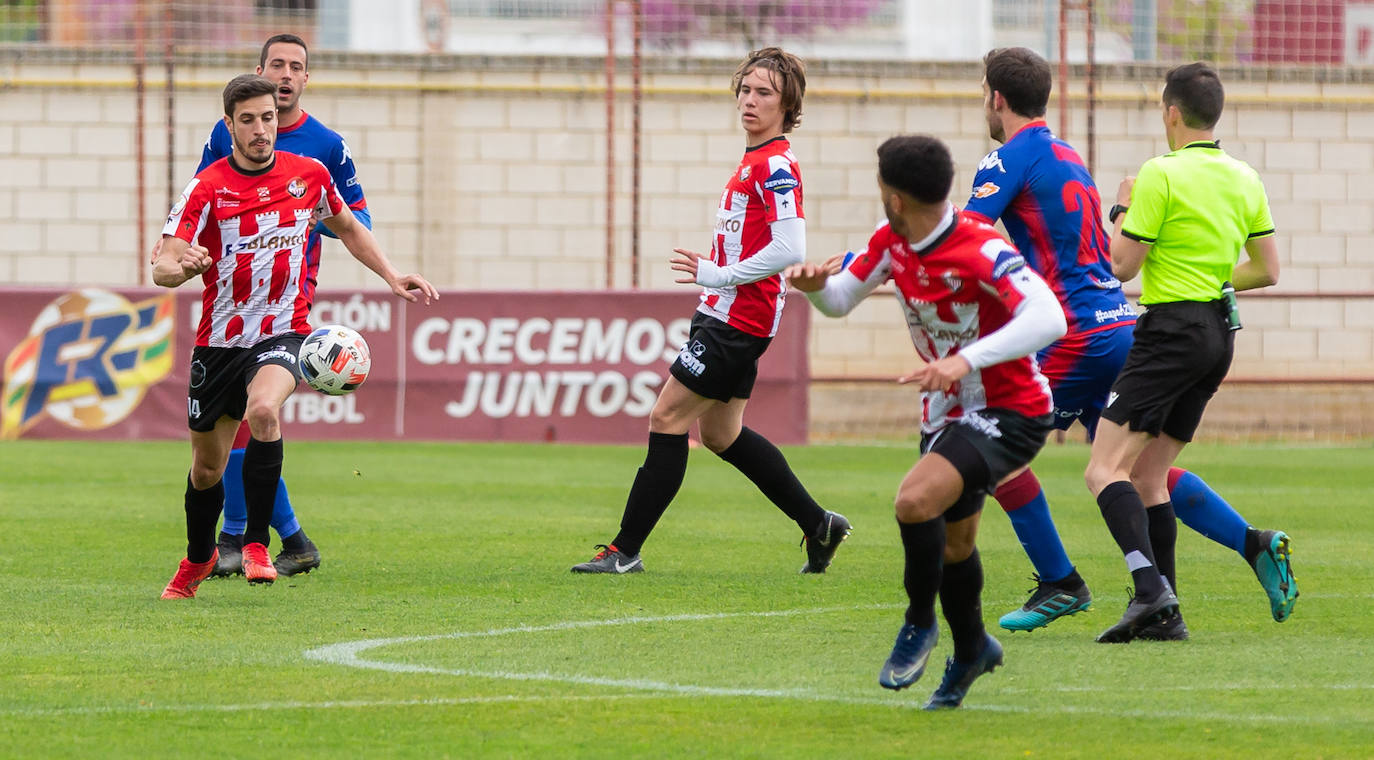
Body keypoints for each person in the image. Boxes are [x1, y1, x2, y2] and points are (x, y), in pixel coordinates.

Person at [966, 47, 1296, 638]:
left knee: (986, 444)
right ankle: (1235, 553)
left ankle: (1063, 581)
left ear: (996, 98)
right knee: (1142, 471)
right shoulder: (1070, 156)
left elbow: (969, 240)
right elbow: (1265, 267)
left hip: (1079, 333)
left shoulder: (1006, 161)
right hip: (1129, 327)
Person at [787, 135, 1067, 708]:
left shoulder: (979, 247)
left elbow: (1049, 317)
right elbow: (842, 298)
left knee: (914, 502)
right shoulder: (892, 241)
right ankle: (972, 650)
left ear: (893, 196)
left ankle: (919, 620)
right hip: (946, 412)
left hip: (1010, 409)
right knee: (955, 546)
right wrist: (816, 288)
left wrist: (966, 359)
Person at [570, 48, 850, 575]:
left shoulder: (775, 165)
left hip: (737, 319)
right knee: (722, 435)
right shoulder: (755, 159)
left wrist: (721, 274)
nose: (749, 100)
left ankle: (624, 550)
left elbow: (791, 249)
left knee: (666, 416)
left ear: (788, 103)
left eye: (763, 92)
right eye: (745, 89)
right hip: (727, 312)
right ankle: (819, 524)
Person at [155, 74, 437, 599]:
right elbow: (163, 263)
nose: (262, 129)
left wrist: (392, 275)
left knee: (264, 410)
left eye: (268, 118)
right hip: (218, 341)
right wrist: (182, 267)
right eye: (248, 120)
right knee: (205, 469)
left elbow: (349, 227)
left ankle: (257, 544)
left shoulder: (310, 174)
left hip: (285, 331)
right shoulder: (207, 186)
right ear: (229, 126)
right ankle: (198, 558)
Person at [1084, 61, 1287, 643]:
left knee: (1103, 470)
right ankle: (1166, 617)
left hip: (1169, 332)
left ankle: (1149, 591)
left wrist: (1119, 207)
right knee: (1151, 476)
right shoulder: (1245, 177)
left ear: (1171, 112)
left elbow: (1121, 265)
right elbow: (1268, 270)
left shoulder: (1158, 174)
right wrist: (1210, 278)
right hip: (1218, 333)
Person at [200, 33, 373, 579]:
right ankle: (290, 539)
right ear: (261, 69)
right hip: (227, 294)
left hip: (286, 301)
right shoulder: (227, 132)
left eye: (296, 67)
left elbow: (356, 222)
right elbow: (205, 199)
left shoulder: (325, 146)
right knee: (240, 421)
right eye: (277, 64)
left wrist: (292, 207)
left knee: (255, 415)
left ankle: (237, 538)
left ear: (305, 78)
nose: (285, 74)